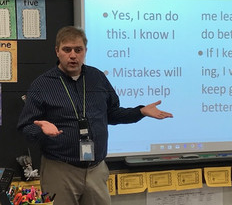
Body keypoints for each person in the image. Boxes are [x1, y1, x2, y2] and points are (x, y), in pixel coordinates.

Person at [17, 26, 173, 205]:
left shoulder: (97, 77)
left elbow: (112, 114)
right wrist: (41, 130)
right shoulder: (42, 85)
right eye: (67, 50)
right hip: (60, 169)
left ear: (85, 51)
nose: (73, 55)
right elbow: (25, 127)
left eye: (78, 50)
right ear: (57, 51)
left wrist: (140, 112)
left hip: (96, 169)